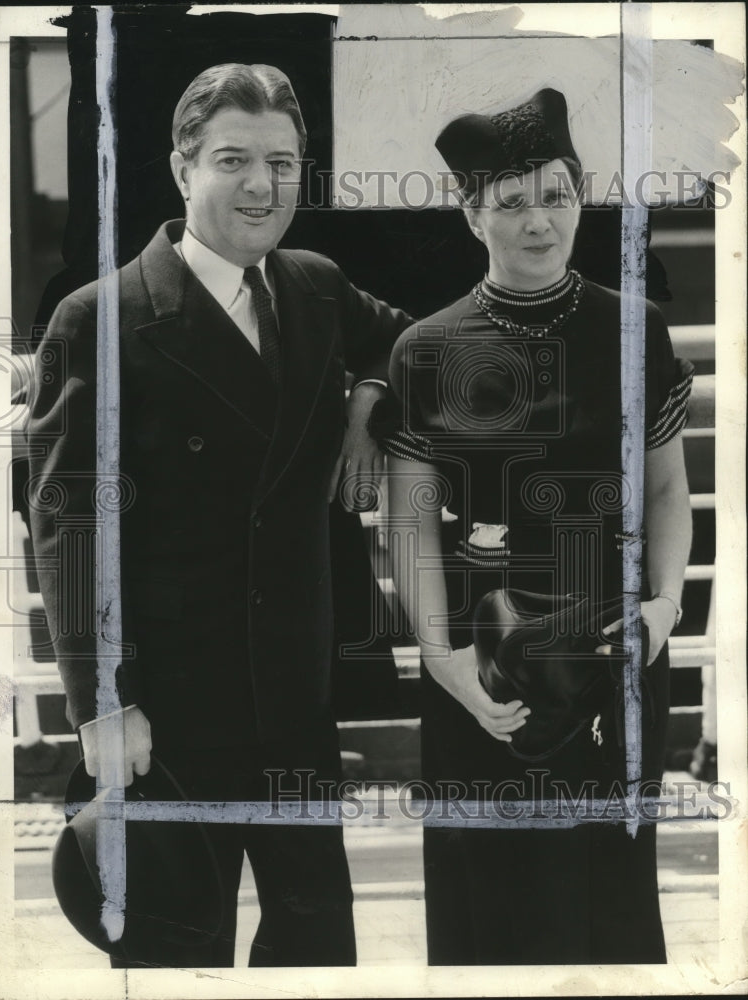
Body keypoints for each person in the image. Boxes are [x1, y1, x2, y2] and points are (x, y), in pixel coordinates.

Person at [27, 62, 411, 968]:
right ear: (180, 168)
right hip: (168, 706)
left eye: (283, 163)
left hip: (295, 699)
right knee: (170, 950)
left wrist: (369, 399)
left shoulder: (315, 288)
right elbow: (69, 525)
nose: (262, 185)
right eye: (234, 159)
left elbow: (412, 342)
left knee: (316, 951)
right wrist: (104, 703)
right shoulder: (103, 318)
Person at [372, 89, 693, 964]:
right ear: (472, 214)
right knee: (492, 903)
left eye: (555, 195)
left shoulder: (637, 330)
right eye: (511, 203)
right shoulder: (425, 350)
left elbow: (668, 494)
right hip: (487, 656)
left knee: (610, 898)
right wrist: (447, 668)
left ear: (581, 197)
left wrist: (663, 609)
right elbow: (408, 524)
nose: (538, 221)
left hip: (616, 643)